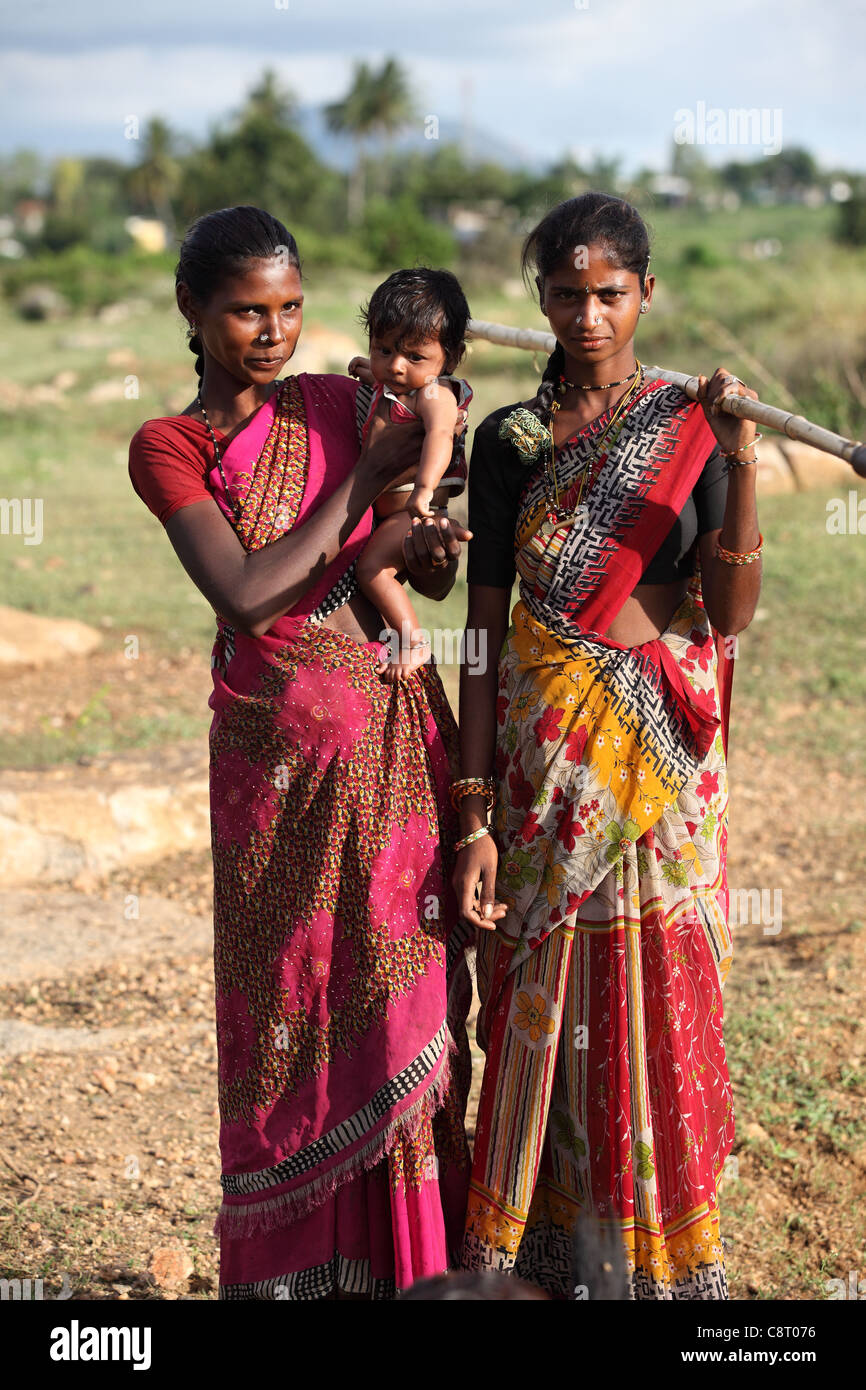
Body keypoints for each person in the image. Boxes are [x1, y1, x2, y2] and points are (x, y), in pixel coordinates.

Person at [127, 205, 474, 1300]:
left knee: (406, 1000)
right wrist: (360, 480)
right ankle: (300, 1275)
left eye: (288, 309)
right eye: (245, 312)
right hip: (272, 775)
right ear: (192, 309)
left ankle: (411, 1268)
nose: (272, 334)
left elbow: (406, 569)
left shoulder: (336, 401)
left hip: (385, 755)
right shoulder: (169, 445)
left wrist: (420, 519)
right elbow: (246, 590)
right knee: (293, 1006)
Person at [452, 193, 763, 1300]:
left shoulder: (691, 423)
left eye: (609, 294)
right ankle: (540, 1253)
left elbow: (724, 617)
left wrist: (740, 462)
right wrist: (475, 810)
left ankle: (667, 1267)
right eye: (564, 294)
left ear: (644, 294)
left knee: (658, 1003)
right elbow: (482, 637)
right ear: (537, 297)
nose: (586, 315)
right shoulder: (511, 442)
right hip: (545, 779)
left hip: (657, 776)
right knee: (547, 1006)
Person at [348, 268, 473, 682]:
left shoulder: (436, 394)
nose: (396, 367)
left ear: (449, 359)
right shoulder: (404, 385)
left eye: (414, 357)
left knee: (372, 571)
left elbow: (440, 433)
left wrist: (423, 491)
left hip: (413, 513)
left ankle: (413, 640)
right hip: (395, 515)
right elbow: (388, 381)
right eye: (383, 349)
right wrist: (369, 368)